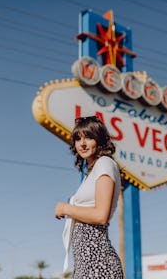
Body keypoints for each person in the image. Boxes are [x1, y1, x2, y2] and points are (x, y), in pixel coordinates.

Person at [55, 115, 124, 278]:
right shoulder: (93, 171)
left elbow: (101, 216)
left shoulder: (104, 163)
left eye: (89, 137)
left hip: (98, 263)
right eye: (78, 139)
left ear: (99, 140)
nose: (82, 144)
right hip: (86, 263)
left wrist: (66, 208)